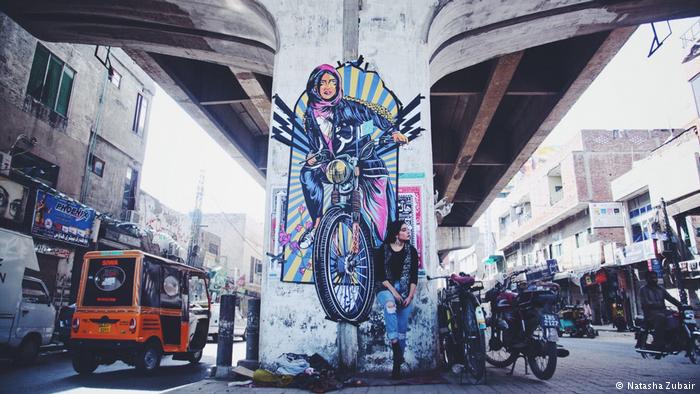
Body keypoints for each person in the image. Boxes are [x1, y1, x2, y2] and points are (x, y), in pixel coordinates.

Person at [297, 64, 407, 249]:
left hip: (364, 160)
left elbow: (374, 115)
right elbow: (314, 144)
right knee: (307, 173)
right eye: (323, 82)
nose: (328, 86)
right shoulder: (309, 115)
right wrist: (313, 157)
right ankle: (316, 225)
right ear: (315, 86)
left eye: (332, 82)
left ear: (337, 85)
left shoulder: (348, 107)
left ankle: (383, 243)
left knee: (381, 212)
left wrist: (393, 132)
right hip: (335, 165)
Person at [373, 220, 419, 379]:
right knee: (390, 305)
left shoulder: (411, 251)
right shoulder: (382, 250)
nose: (408, 232)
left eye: (408, 230)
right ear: (396, 233)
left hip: (406, 291)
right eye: (404, 230)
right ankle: (395, 346)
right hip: (385, 288)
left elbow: (414, 276)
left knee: (402, 331)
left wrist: (410, 296)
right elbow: (380, 275)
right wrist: (395, 293)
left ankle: (396, 366)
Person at [639, 270, 682, 350]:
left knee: (676, 316)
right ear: (647, 279)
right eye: (652, 278)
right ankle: (658, 343)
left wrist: (680, 305)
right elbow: (646, 303)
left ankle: (676, 339)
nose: (654, 279)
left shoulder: (660, 289)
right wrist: (655, 305)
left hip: (662, 311)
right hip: (650, 313)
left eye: (655, 278)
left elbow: (670, 298)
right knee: (661, 318)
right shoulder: (643, 290)